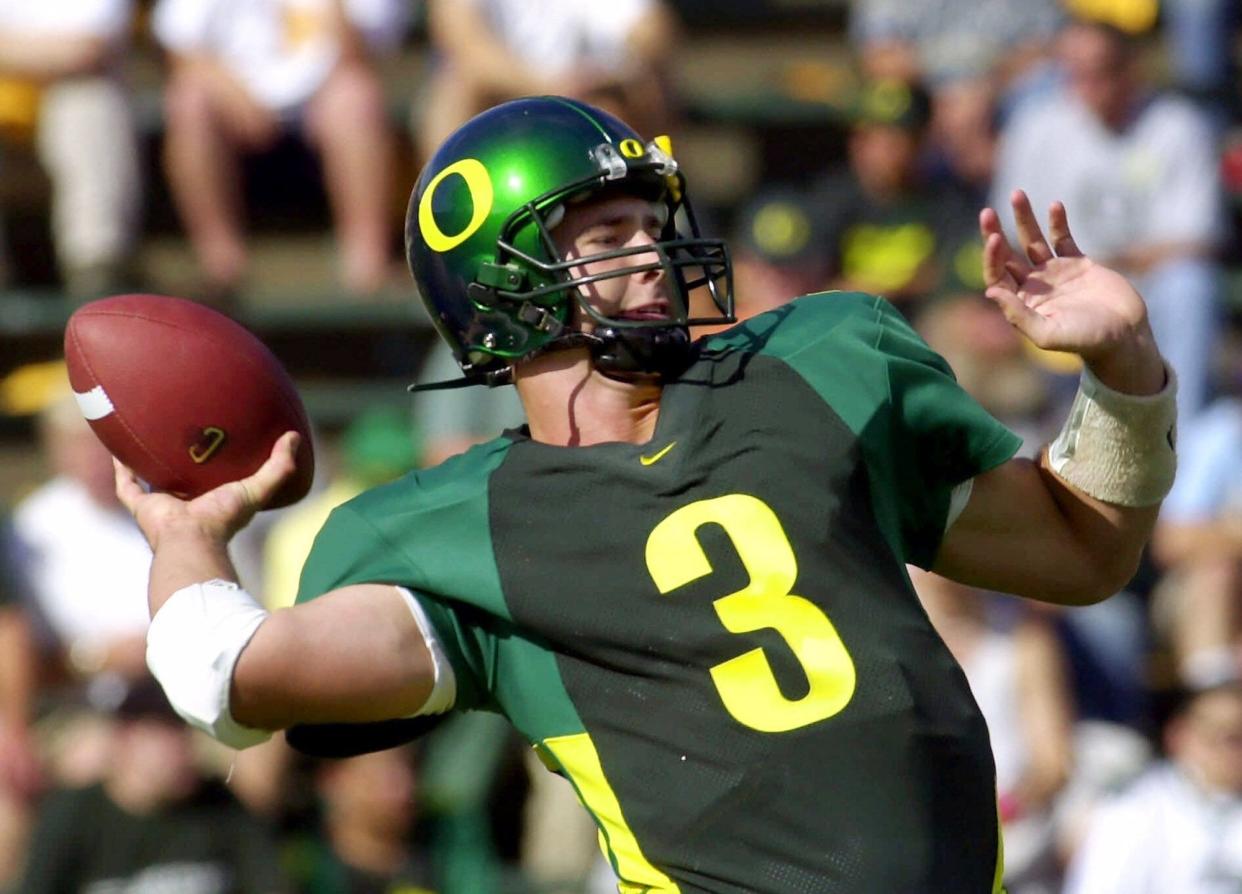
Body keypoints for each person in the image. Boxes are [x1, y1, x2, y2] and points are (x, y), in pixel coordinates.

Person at [123, 97, 1176, 892]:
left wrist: (1123, 374)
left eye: (653, 224)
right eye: (608, 237)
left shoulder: (818, 365)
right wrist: (184, 533)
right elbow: (226, 675)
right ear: (505, 282)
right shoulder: (460, 529)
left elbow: (1081, 554)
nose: (658, 258)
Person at [990, 17, 1226, 420]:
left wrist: (1104, 268)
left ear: (1131, 68)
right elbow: (1011, 229)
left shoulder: (1178, 125)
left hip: (1149, 288)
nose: (1089, 86)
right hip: (1058, 284)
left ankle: (1181, 433)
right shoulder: (1036, 126)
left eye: (1101, 72)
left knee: (1191, 285)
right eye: (1076, 73)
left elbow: (1197, 238)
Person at [152, 0, 407, 301]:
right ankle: (221, 266)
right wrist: (235, 95)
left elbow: (359, 54)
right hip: (230, 96)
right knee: (189, 101)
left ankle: (367, 265)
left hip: (327, 95)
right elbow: (182, 49)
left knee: (357, 97)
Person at [16, 676, 286, 894]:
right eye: (169, 733)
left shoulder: (219, 806)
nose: (184, 748)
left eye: (188, 730)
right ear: (126, 739)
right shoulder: (74, 814)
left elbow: (268, 883)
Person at [0, 0, 142, 298]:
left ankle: (96, 274)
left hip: (65, 124)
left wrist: (13, 54)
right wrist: (50, 55)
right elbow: (69, 52)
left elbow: (85, 52)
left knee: (89, 97)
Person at [1062, 681, 1242, 893]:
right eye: (1215, 736)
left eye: (1237, 738)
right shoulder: (1131, 812)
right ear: (1178, 735)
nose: (1229, 751)